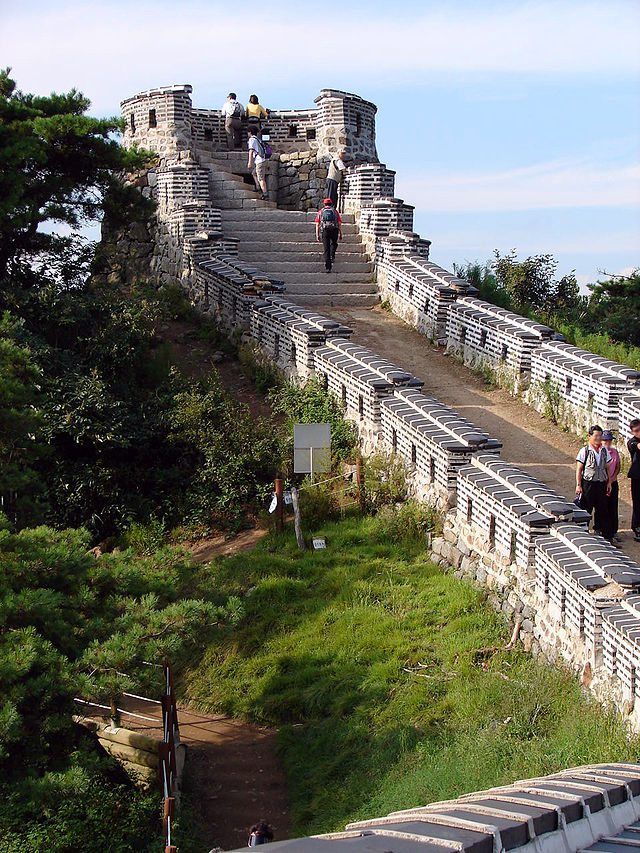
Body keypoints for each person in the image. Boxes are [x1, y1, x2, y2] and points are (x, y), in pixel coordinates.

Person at [576, 424, 613, 542]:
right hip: (589, 483)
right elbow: (579, 469)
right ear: (590, 436)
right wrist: (578, 485)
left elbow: (607, 467)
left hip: (601, 483)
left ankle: (602, 532)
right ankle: (583, 532)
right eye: (596, 436)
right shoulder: (585, 451)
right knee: (586, 507)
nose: (598, 438)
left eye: (600, 436)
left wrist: (609, 482)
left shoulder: (604, 450)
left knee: (602, 508)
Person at [315, 197, 342, 273]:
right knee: (334, 244)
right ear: (331, 204)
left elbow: (317, 224)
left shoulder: (321, 212)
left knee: (326, 249)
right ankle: (332, 255)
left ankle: (328, 267)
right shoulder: (335, 211)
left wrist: (317, 235)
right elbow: (339, 223)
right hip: (334, 230)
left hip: (325, 231)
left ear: (324, 204)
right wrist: (340, 233)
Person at [602, 429, 621, 542]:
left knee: (613, 507)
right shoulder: (600, 452)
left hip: (613, 481)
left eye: (609, 441)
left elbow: (618, 466)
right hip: (602, 483)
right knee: (603, 507)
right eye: (606, 441)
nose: (608, 443)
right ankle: (603, 530)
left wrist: (613, 478)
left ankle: (613, 531)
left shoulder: (614, 452)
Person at [247, 126, 269, 200]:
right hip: (262, 160)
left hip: (260, 161)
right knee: (254, 173)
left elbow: (251, 151)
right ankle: (258, 187)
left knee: (261, 178)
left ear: (250, 132)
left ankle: (265, 194)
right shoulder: (258, 139)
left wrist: (250, 163)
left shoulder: (252, 139)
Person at [628, 418, 640, 542]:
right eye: (636, 431)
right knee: (637, 503)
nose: (639, 433)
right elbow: (637, 446)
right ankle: (637, 528)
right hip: (637, 477)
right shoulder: (632, 442)